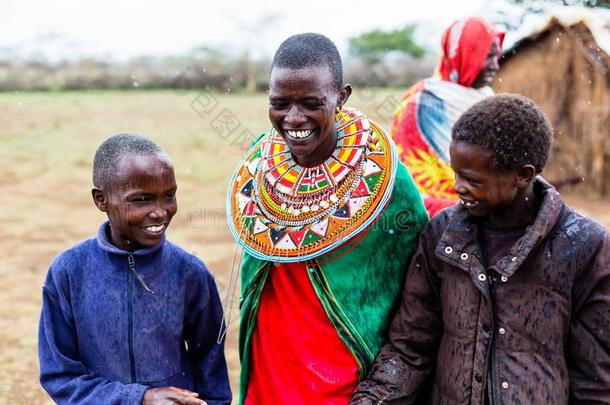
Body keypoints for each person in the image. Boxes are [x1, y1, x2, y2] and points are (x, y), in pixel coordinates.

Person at [350, 94, 610, 404]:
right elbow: (410, 346)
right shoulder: (441, 235)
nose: (457, 187)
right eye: (456, 173)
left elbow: (596, 377)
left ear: (523, 175)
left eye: (472, 179)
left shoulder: (585, 246)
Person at [226, 33, 428, 404]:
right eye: (279, 104)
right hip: (269, 371)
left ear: (342, 96)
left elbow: (418, 290)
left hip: (349, 380)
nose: (294, 118)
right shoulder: (260, 168)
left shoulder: (385, 179)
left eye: (311, 103)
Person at [38, 134, 231, 405]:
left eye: (169, 196)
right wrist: (138, 398)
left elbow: (211, 369)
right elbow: (60, 376)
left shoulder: (189, 273)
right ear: (101, 200)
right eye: (141, 200)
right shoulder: (69, 273)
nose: (160, 212)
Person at [391, 17, 504, 217]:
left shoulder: (488, 98)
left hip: (484, 203)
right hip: (428, 210)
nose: (495, 66)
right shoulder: (420, 103)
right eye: (488, 56)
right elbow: (406, 181)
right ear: (465, 55)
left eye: (497, 57)